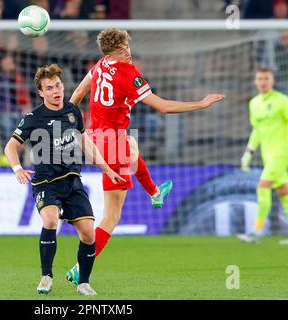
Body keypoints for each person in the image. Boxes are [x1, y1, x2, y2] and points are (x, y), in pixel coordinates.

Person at [67, 28, 225, 284]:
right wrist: (200, 103)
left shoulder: (99, 65)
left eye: (127, 46)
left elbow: (77, 95)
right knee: (111, 217)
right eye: (122, 50)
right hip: (112, 145)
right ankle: (80, 267)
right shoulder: (128, 73)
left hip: (97, 138)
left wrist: (68, 120)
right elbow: (162, 106)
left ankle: (154, 193)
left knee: (133, 146)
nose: (127, 52)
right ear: (112, 52)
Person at [5, 64, 124, 296]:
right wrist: (17, 168)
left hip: (72, 180)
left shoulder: (72, 111)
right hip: (45, 182)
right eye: (49, 88)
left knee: (89, 233)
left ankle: (83, 282)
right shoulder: (32, 118)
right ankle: (46, 276)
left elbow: (83, 140)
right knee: (50, 220)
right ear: (41, 93)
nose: (56, 91)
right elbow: (11, 146)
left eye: (58, 85)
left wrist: (106, 167)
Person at [237, 68, 288, 245]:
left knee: (263, 186)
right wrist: (248, 152)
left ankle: (256, 231)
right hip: (267, 154)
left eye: (266, 78)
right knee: (284, 192)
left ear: (272, 80)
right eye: (260, 78)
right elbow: (257, 131)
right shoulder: (254, 103)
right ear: (255, 81)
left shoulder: (282, 100)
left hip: (283, 151)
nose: (263, 82)